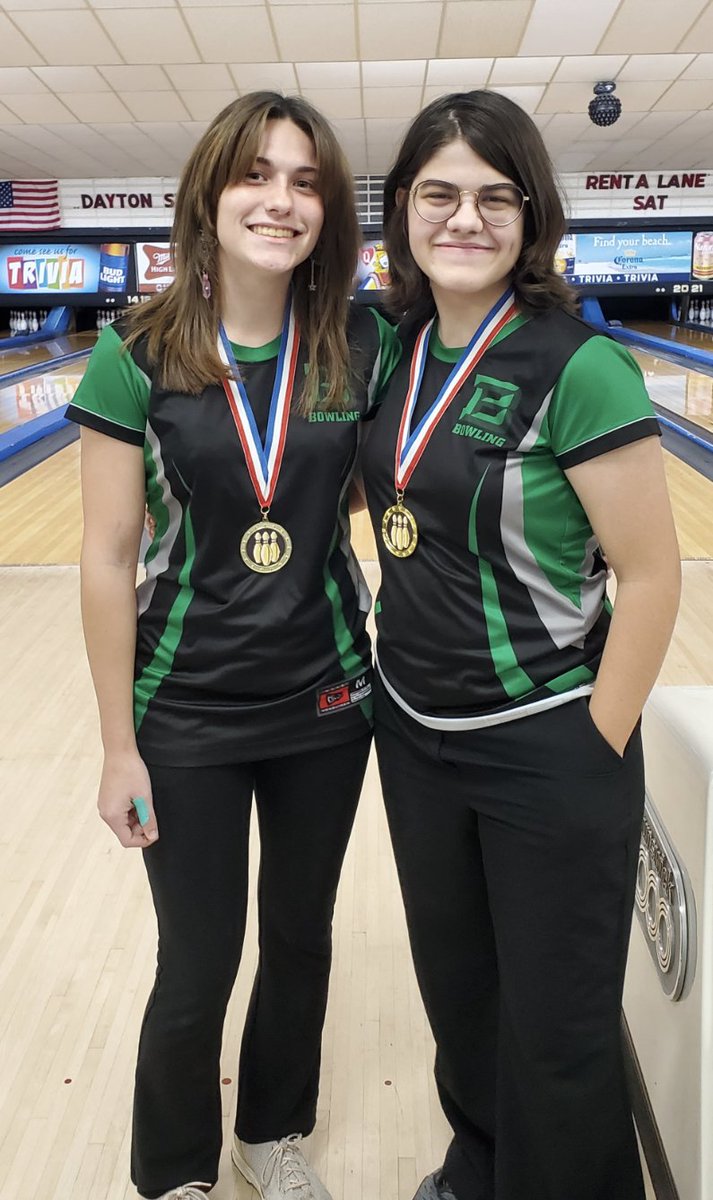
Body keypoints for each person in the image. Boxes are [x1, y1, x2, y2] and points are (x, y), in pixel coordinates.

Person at [67, 92, 396, 1200]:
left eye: (307, 181)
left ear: (328, 210)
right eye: (257, 173)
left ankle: (269, 1134)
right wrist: (117, 746)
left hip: (323, 703)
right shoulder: (134, 353)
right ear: (209, 193)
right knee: (196, 958)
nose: (281, 198)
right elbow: (108, 556)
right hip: (186, 712)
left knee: (300, 935)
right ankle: (173, 1173)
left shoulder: (361, 340)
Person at [361, 89, 681, 1200]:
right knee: (460, 999)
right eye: (439, 193)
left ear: (531, 214)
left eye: (495, 197)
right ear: (401, 209)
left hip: (545, 742)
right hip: (413, 735)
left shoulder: (575, 366)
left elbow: (648, 576)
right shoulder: (393, 351)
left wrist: (593, 741)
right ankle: (480, 1166)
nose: (464, 218)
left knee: (557, 1029)